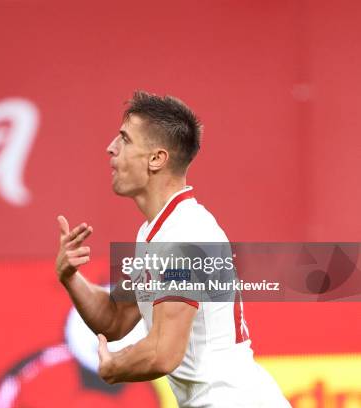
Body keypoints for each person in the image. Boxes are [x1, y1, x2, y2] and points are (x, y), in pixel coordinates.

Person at [55, 91, 290, 407]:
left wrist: (114, 366)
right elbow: (114, 319)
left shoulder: (184, 237)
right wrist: (71, 277)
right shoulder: (157, 231)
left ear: (156, 159)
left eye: (124, 139)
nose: (111, 148)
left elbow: (162, 353)